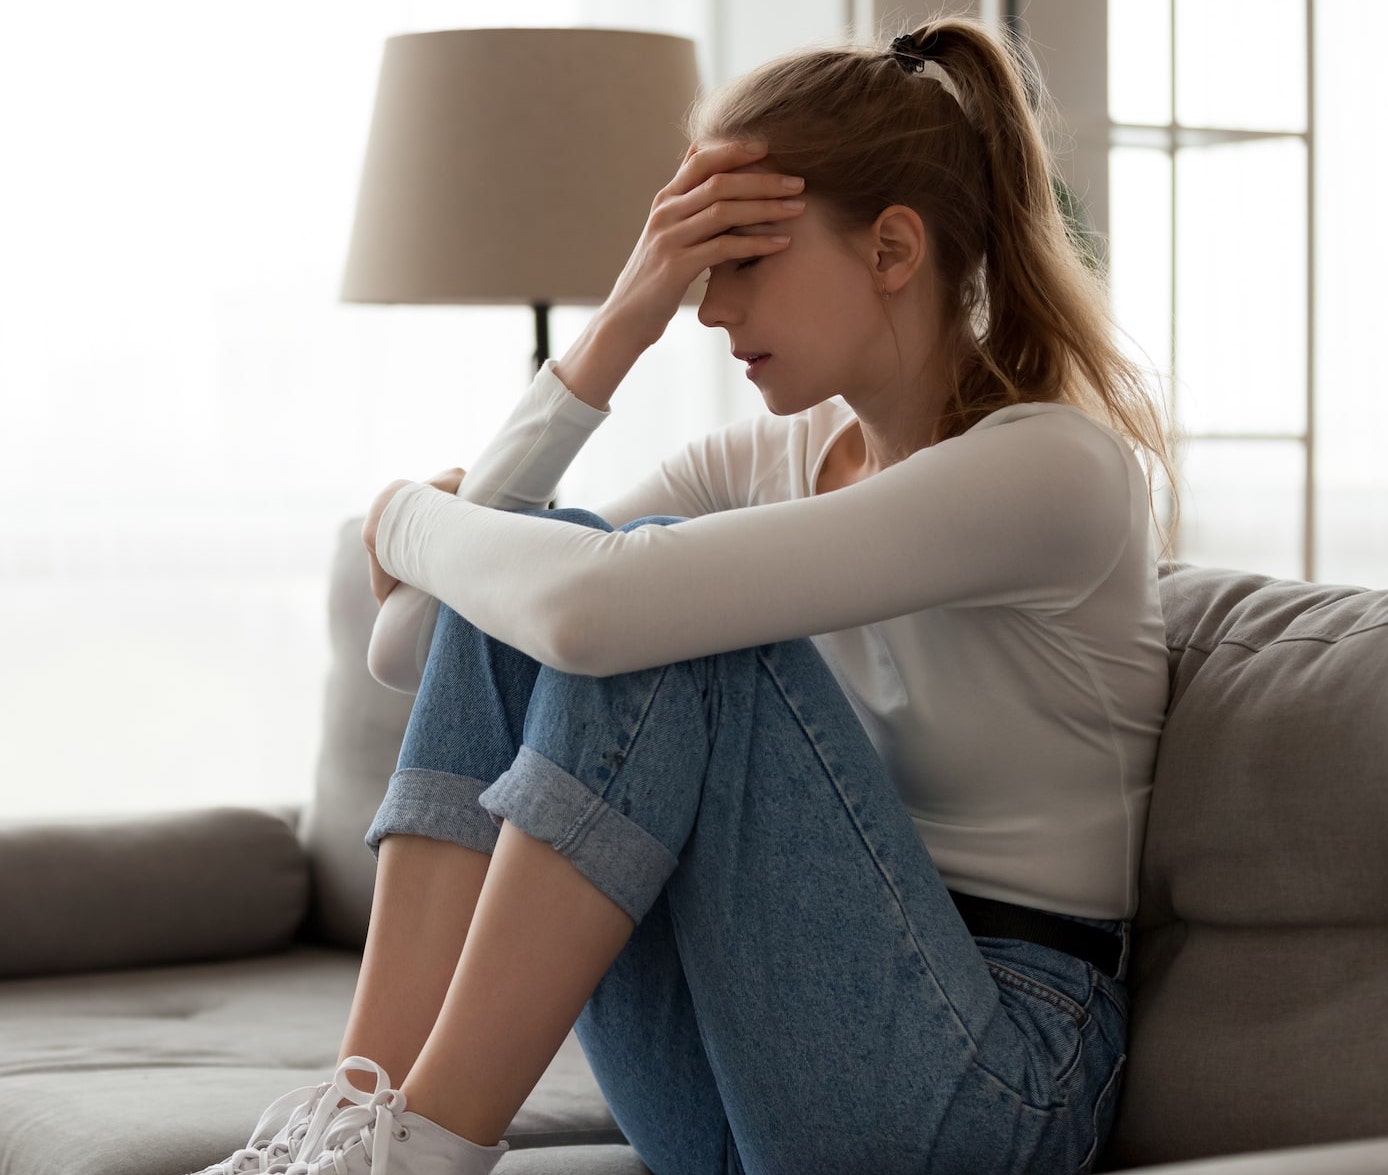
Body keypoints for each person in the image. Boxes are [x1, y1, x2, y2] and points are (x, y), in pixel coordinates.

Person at [193, 17, 1171, 1175]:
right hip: (748, 1049)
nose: (706, 312)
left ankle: (422, 1151)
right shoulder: (754, 468)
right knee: (570, 575)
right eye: (691, 272)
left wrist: (411, 513)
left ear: (893, 248)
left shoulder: (1051, 469)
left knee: (663, 617)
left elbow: (595, 610)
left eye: (741, 262)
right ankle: (353, 1120)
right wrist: (617, 323)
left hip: (993, 1076)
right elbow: (416, 637)